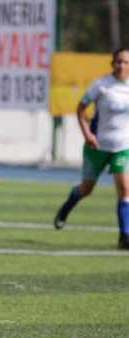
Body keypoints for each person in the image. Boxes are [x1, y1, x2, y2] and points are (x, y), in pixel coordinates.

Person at [54, 47, 129, 249]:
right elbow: (81, 108)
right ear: (112, 63)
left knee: (124, 189)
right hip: (97, 146)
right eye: (119, 61)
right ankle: (65, 208)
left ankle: (125, 236)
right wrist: (87, 134)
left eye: (126, 62)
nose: (122, 65)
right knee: (86, 189)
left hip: (122, 147)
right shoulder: (101, 85)